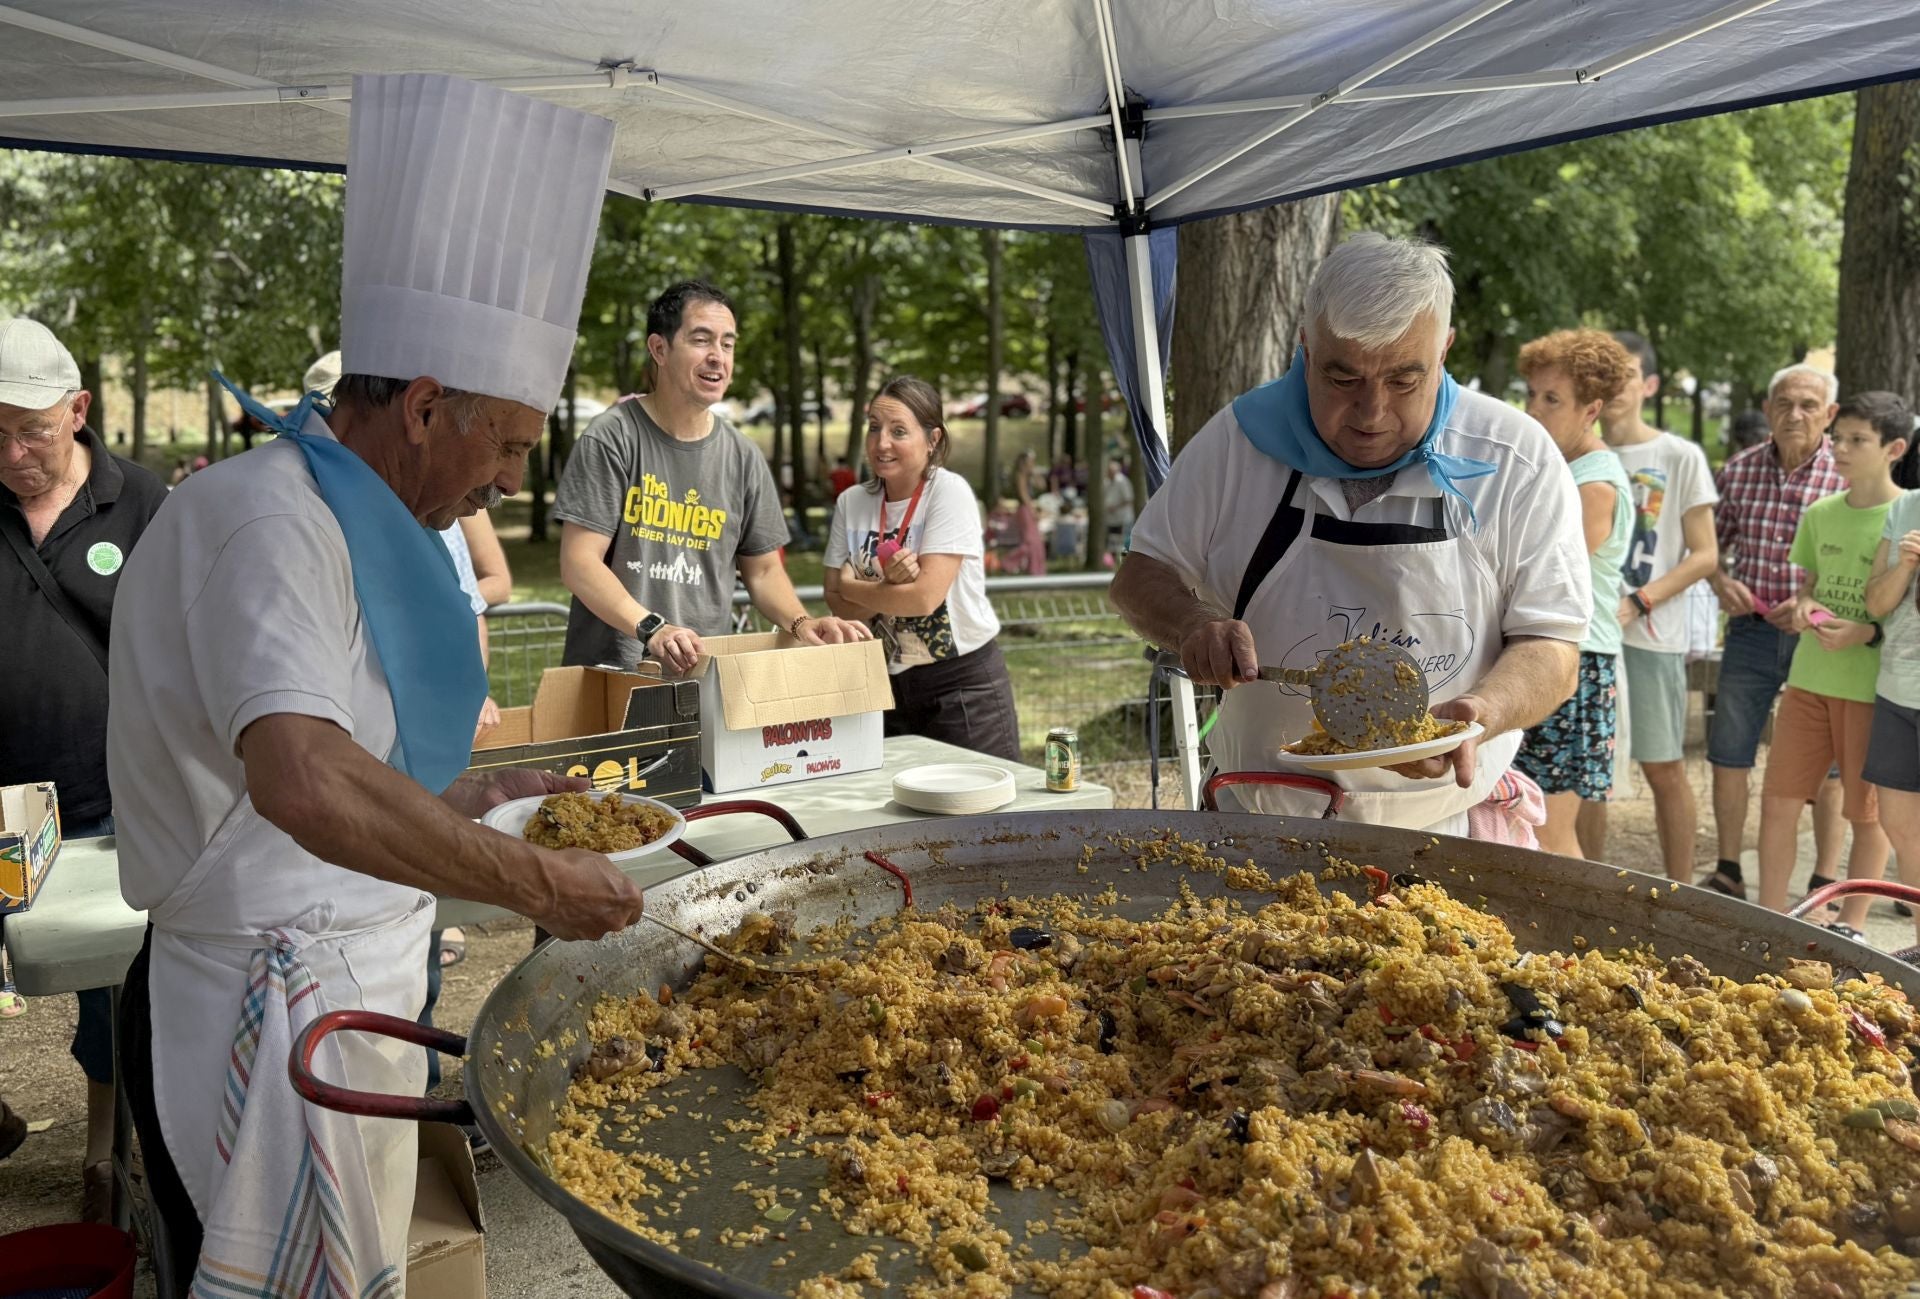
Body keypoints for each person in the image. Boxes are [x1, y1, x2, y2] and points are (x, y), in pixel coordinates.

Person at [106, 74, 644, 1291]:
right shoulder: (266, 520)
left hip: (353, 989)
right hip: (265, 1004)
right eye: (505, 441)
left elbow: (339, 761)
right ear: (422, 407)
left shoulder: (353, 524)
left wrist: (455, 813)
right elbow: (298, 777)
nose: (511, 479)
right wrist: (533, 881)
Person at [1110, 233, 1591, 832]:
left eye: (1403, 380)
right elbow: (1139, 575)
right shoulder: (1236, 443)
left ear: (1444, 350)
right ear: (1306, 349)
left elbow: (1553, 646)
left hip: (1444, 824)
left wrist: (1483, 712)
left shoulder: (1515, 456)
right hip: (1262, 816)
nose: (1371, 414)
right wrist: (1190, 624)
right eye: (1343, 379)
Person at [0, 315, 168, 1220]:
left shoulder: (142, 501)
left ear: (78, 411)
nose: (13, 450)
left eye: (29, 428)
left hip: (112, 798)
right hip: (3, 806)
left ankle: (107, 1159)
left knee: (113, 990)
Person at [553, 280, 868, 675]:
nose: (718, 357)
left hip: (702, 677)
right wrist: (653, 628)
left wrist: (802, 624)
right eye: (702, 340)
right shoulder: (612, 437)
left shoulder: (743, 456)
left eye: (728, 344)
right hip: (613, 677)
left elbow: (765, 571)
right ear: (659, 349)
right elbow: (580, 562)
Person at [1754, 391, 1911, 940]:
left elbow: (1904, 616)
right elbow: (1811, 590)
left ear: (1894, 448)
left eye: (1856, 440)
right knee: (1777, 802)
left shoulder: (1906, 514)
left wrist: (1865, 632)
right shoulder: (1821, 513)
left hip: (1873, 692)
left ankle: (1854, 925)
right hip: (1807, 682)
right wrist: (1805, 609)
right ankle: (1770, 918)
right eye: (1838, 437)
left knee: (1865, 815)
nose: (1839, 448)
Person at [822, 376, 1021, 760]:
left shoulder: (949, 492)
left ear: (933, 440)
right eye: (874, 428)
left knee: (979, 807)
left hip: (962, 686)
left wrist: (855, 587)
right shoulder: (852, 502)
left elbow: (924, 598)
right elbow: (836, 604)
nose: (881, 443)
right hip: (884, 683)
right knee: (903, 812)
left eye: (899, 431)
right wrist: (888, 586)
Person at [1706, 364, 1846, 900]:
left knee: (1829, 764)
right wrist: (1720, 580)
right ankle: (1728, 871)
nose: (1796, 414)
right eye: (1785, 403)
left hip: (1822, 637)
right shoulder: (1738, 471)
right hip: (1751, 630)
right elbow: (1708, 549)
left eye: (1810, 405)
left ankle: (1825, 878)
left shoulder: (1847, 475)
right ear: (1767, 410)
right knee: (1729, 749)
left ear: (1829, 414)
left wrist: (1816, 605)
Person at [1597, 331, 1720, 882]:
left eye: (1625, 374)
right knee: (1588, 773)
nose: (1614, 386)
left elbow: (1706, 555)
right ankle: (1587, 882)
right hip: (1587, 635)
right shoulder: (1574, 450)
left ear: (1648, 383)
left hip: (1651, 636)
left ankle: (1683, 891)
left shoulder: (1678, 455)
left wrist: (1640, 600)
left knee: (1664, 768)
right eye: (1604, 375)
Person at [1511, 330, 1633, 858]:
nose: (1534, 409)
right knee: (1520, 819)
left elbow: (1546, 573)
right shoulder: (1557, 467)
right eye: (1532, 394)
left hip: (1575, 663)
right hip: (1546, 652)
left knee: (1549, 830)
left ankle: (1575, 940)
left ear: (1592, 410)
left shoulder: (1595, 482)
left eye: (1552, 399)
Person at [1862, 392, 1920, 947]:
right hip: (1898, 692)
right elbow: (1875, 603)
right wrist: (1904, 566)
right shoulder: (1906, 508)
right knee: (1902, 829)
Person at [1008, 449, 1047, 576]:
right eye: (1031, 462)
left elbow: (1042, 485)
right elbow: (1024, 495)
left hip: (1029, 508)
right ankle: (1008, 562)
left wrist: (1034, 473)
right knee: (1030, 542)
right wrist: (1033, 511)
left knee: (1036, 541)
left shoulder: (1029, 476)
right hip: (1025, 510)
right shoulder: (1020, 476)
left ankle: (1037, 569)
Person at [1103, 456, 1135, 558]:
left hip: (1122, 517)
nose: (1109, 473)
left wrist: (1115, 507)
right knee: (1112, 542)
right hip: (1111, 518)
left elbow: (1128, 499)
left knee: (1123, 541)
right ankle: (1114, 561)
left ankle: (1123, 560)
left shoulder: (1122, 481)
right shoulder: (1106, 482)